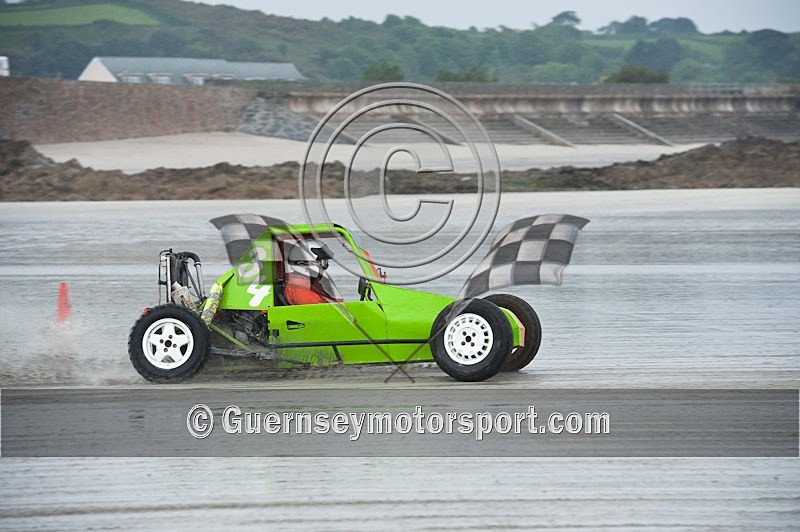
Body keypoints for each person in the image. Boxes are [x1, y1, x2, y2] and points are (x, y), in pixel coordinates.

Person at [283, 241, 342, 305]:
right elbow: (323, 309)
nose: (325, 267)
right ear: (306, 263)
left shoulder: (312, 284)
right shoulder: (300, 287)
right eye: (323, 262)